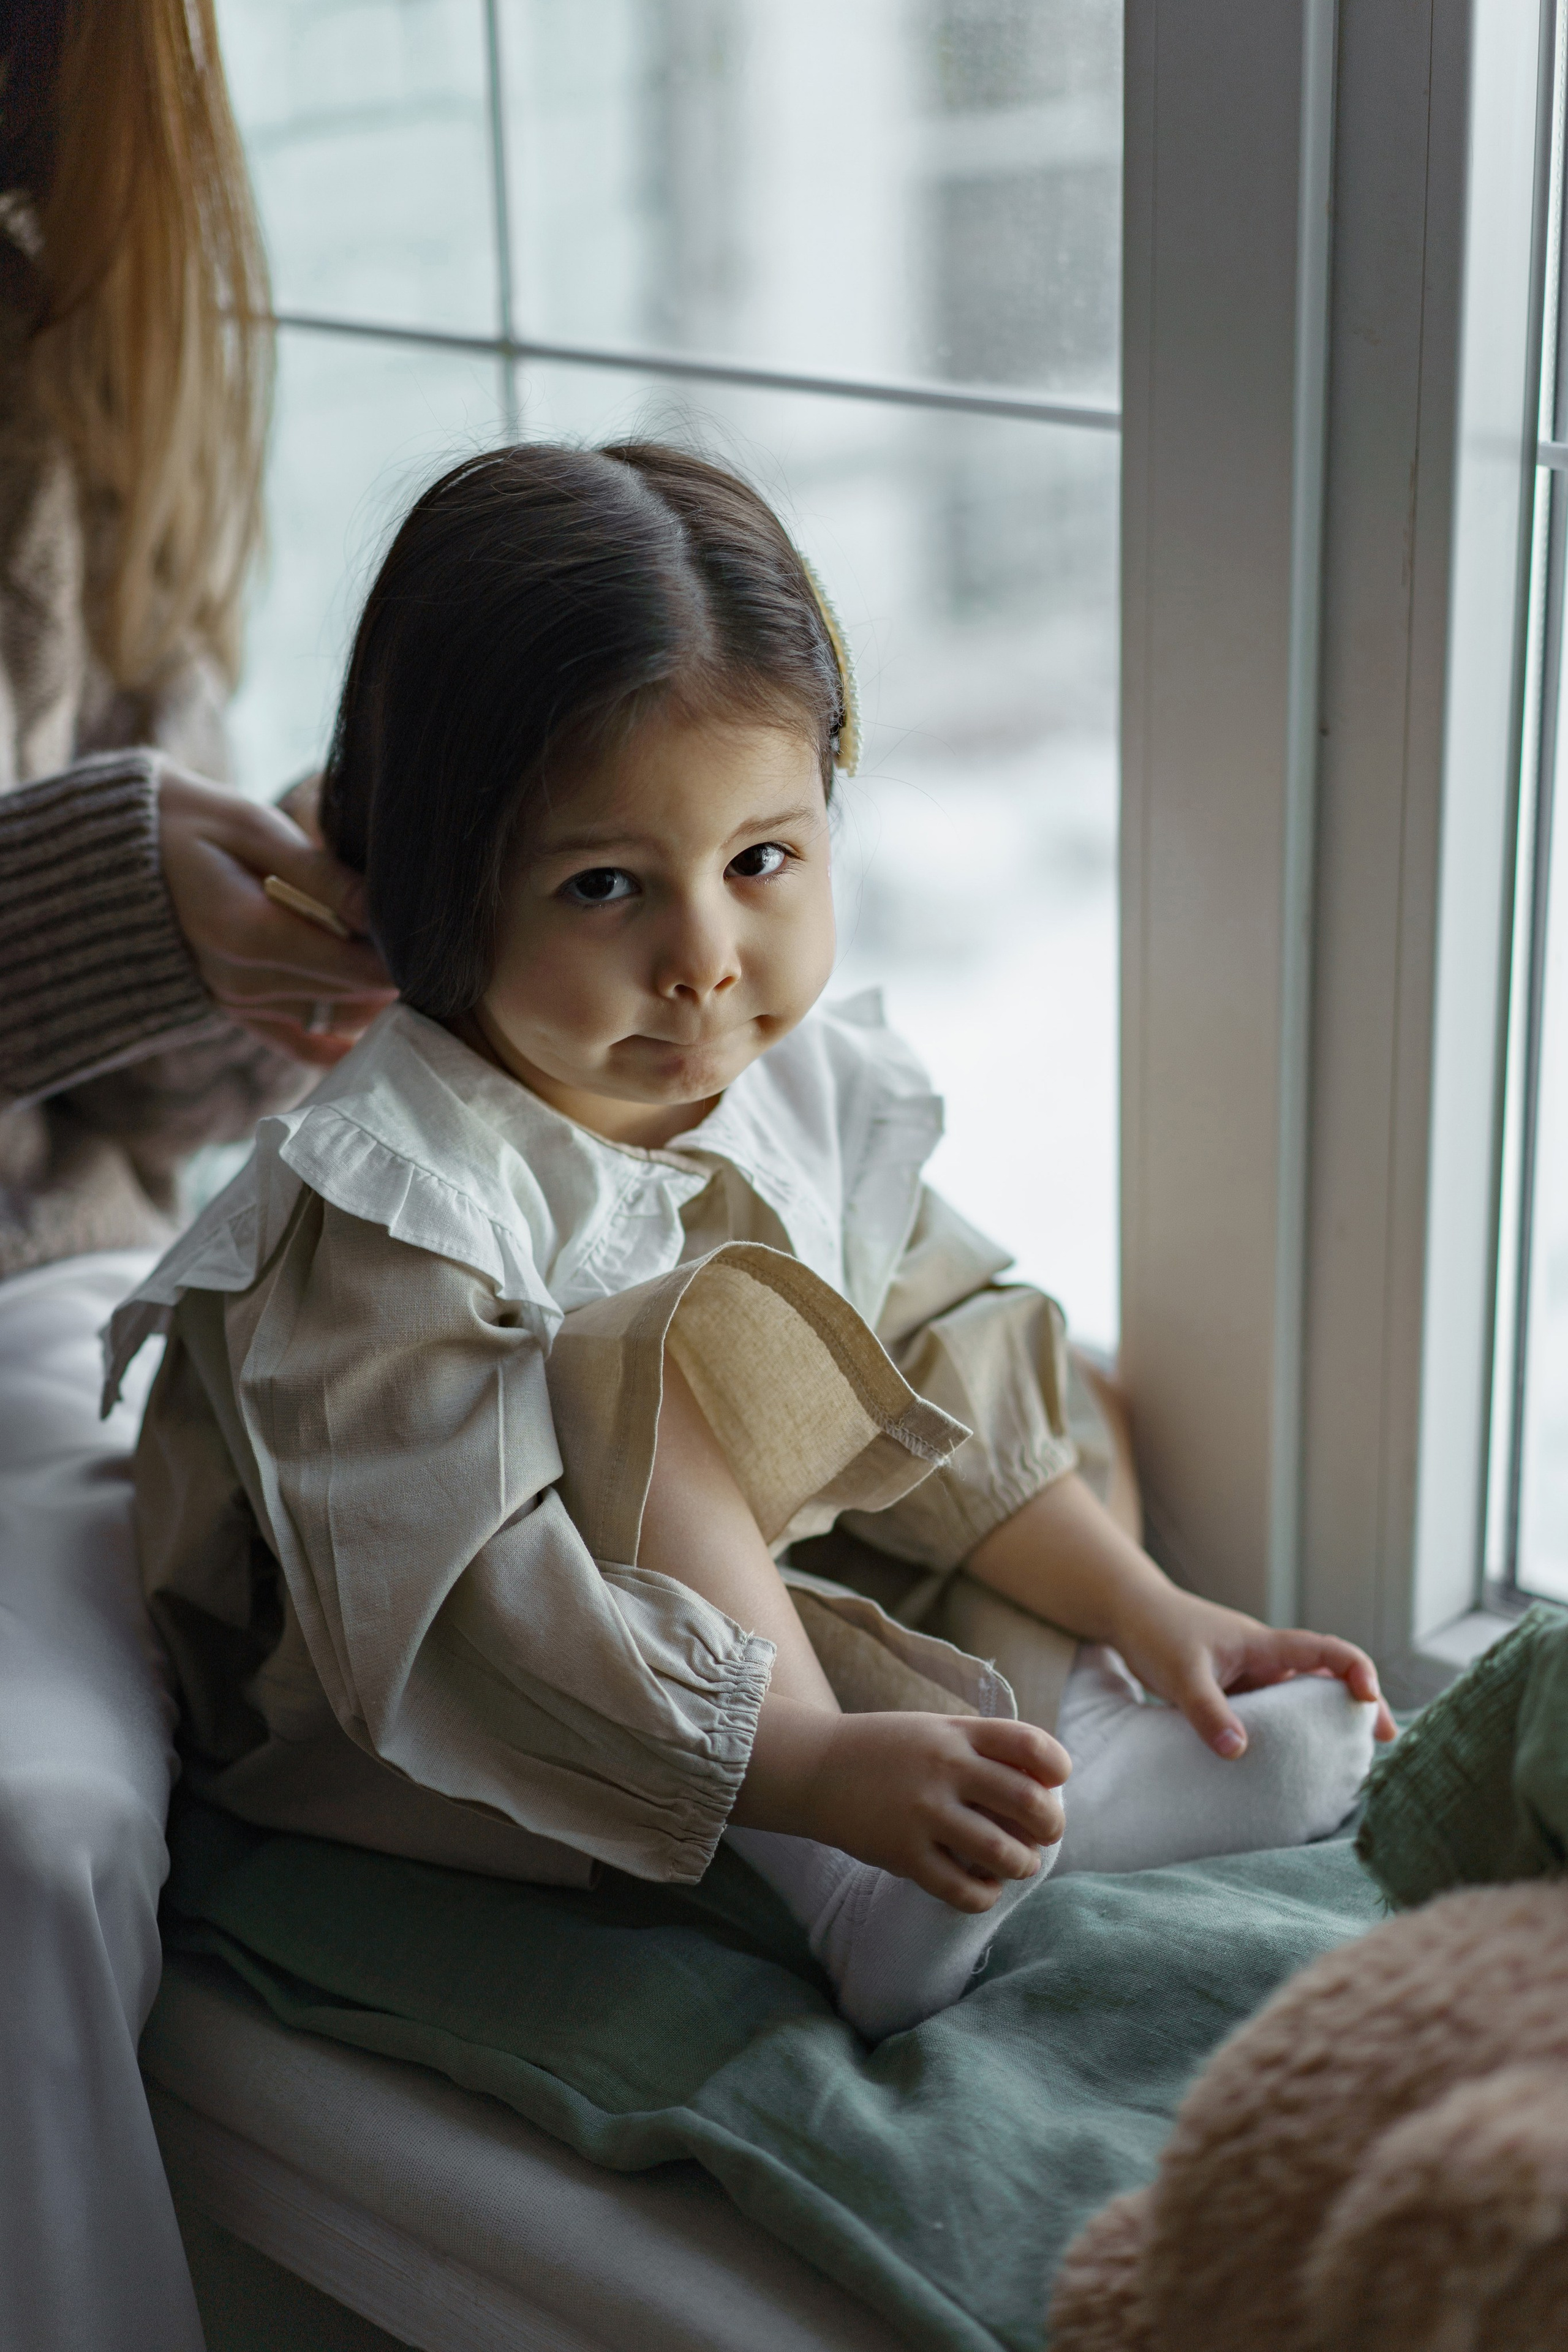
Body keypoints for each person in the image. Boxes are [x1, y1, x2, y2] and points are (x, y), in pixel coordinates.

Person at [111, 441, 1395, 2060]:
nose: (705, 964)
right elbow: (454, 1592)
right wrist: (792, 1761)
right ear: (441, 881)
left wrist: (1150, 1607)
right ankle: (833, 1865)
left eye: (763, 862)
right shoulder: (392, 1191)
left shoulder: (784, 1078)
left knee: (1004, 1374)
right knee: (683, 1340)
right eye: (603, 886)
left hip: (702, 1591)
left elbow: (934, 1339)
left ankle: (1068, 1749)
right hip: (425, 1685)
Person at [0, 4, 392, 2346]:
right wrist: (107, 892)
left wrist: (266, 982)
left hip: (50, 1306)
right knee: (34, 1841)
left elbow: (101, 1126)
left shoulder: (45, 357)